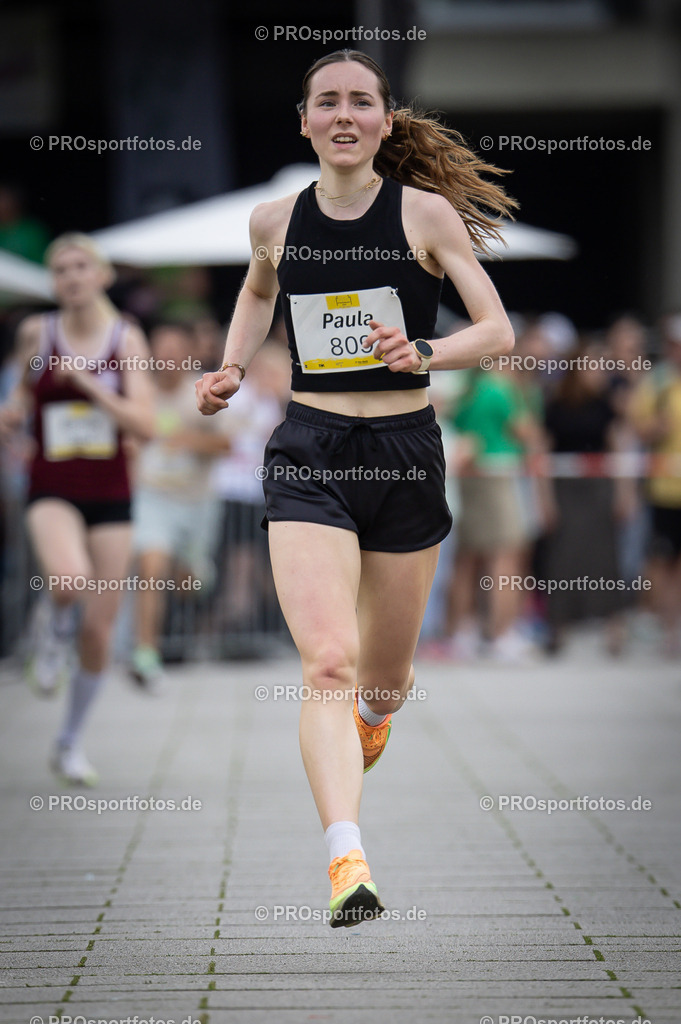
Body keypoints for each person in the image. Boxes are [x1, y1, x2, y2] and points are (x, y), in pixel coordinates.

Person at [195, 49, 515, 928]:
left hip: (405, 449)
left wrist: (428, 351)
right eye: (325, 102)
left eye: (360, 102)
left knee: (385, 679)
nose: (343, 114)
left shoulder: (424, 212)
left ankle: (373, 718)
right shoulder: (270, 219)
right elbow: (257, 295)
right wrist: (229, 368)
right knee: (326, 663)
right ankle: (347, 859)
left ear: (381, 120)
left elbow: (494, 328)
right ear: (303, 121)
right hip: (308, 447)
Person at [0, 233, 155, 784]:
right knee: (69, 579)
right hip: (51, 486)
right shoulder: (36, 333)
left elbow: (147, 425)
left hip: (111, 493)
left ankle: (69, 743)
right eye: (60, 269)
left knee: (99, 630)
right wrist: (13, 414)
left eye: (80, 266)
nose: (70, 277)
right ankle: (50, 624)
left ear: (102, 275)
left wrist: (91, 388)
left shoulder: (126, 337)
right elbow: (19, 392)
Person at [129, 321, 232, 690]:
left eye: (175, 348)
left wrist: (185, 440)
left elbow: (226, 446)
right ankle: (145, 654)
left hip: (197, 501)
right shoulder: (139, 392)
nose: (168, 355)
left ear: (188, 353)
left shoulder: (201, 389)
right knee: (151, 566)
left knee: (190, 582)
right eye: (161, 347)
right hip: (153, 496)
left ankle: (196, 574)